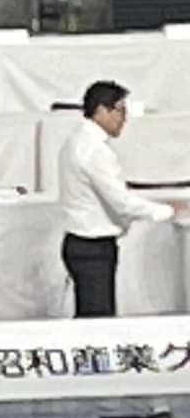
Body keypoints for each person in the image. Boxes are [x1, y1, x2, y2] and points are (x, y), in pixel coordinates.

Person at [60, 79, 185, 317]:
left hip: (80, 243)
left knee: (90, 317)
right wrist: (168, 210)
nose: (124, 119)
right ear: (100, 111)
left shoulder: (76, 141)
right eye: (120, 111)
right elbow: (122, 203)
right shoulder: (95, 150)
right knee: (98, 321)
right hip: (93, 248)